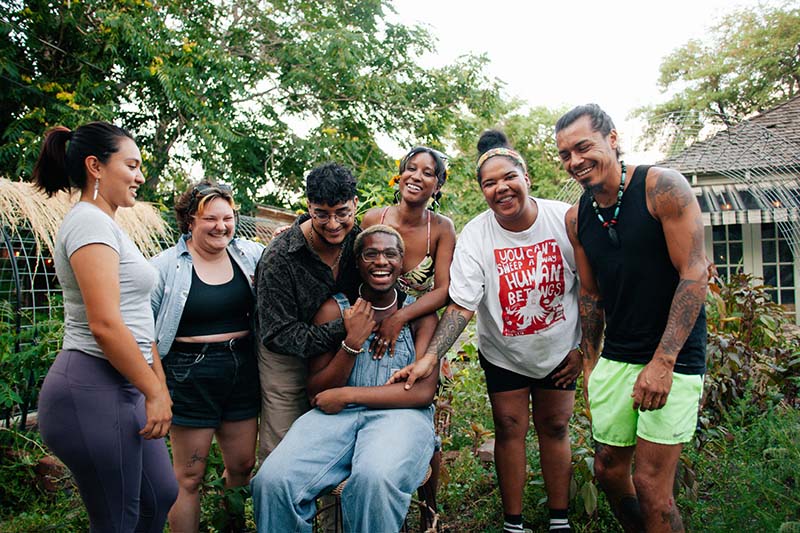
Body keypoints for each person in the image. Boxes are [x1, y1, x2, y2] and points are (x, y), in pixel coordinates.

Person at [391, 130, 582, 533]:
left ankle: (559, 520)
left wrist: (582, 348)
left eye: (508, 177)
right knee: (509, 430)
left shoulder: (564, 220)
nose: (501, 188)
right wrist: (430, 358)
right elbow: (462, 303)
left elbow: (591, 287)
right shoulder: (477, 234)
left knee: (555, 428)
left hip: (560, 350)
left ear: (526, 177)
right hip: (504, 354)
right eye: (489, 183)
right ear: (481, 191)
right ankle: (514, 524)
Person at [556, 104, 707, 533]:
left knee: (652, 486)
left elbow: (695, 272)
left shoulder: (661, 188)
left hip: (672, 356)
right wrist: (590, 362)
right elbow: (591, 294)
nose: (575, 161)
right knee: (607, 469)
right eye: (566, 154)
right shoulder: (578, 216)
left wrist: (663, 363)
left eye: (583, 147)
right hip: (618, 355)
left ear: (613, 139)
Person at [34, 122, 178, 532]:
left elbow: (138, 318)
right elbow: (105, 323)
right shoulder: (87, 223)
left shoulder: (112, 225)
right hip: (91, 385)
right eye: (131, 165)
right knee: (118, 518)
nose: (140, 176)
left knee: (159, 496)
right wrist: (153, 391)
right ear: (95, 166)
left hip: (127, 384)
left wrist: (158, 385)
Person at [250, 225, 439, 532]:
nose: (381, 261)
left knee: (373, 479)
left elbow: (421, 393)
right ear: (357, 262)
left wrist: (349, 395)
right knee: (273, 481)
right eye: (371, 254)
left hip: (401, 417)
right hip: (336, 421)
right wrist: (351, 343)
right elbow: (319, 391)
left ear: (402, 262)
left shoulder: (421, 316)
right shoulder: (334, 309)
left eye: (390, 254)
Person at [149, 180, 264, 532]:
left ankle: (232, 527)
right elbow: (143, 333)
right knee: (189, 475)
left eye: (227, 217)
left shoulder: (250, 255)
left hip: (242, 367)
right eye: (210, 218)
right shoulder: (164, 267)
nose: (221, 226)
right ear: (189, 221)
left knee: (243, 467)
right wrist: (157, 389)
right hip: (189, 372)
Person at [255, 162, 361, 460]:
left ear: (355, 203)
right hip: (286, 356)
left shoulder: (359, 241)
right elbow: (278, 334)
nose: (332, 224)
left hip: (339, 351)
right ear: (308, 206)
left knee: (333, 438)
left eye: (342, 213)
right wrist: (345, 328)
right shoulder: (279, 257)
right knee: (284, 446)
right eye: (321, 214)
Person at [361, 146, 456, 357]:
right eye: (411, 169)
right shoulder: (373, 219)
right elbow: (351, 269)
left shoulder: (441, 229)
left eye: (427, 173)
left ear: (438, 186)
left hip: (417, 324)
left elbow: (443, 290)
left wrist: (399, 317)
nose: (416, 176)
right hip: (367, 321)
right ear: (400, 176)